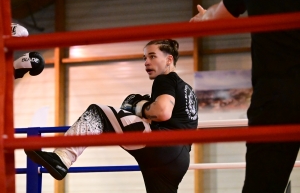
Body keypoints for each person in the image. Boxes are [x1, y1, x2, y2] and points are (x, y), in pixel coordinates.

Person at [24, 39, 199, 193]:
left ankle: (62, 158)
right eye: (145, 57)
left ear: (169, 59)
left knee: (98, 112)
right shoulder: (188, 89)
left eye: (152, 56)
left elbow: (162, 112)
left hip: (163, 147)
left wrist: (139, 107)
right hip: (179, 161)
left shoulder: (165, 79)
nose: (146, 62)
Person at [190, 0, 300, 192]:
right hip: (275, 96)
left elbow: (219, 14)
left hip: (277, 96)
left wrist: (204, 17)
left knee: (262, 184)